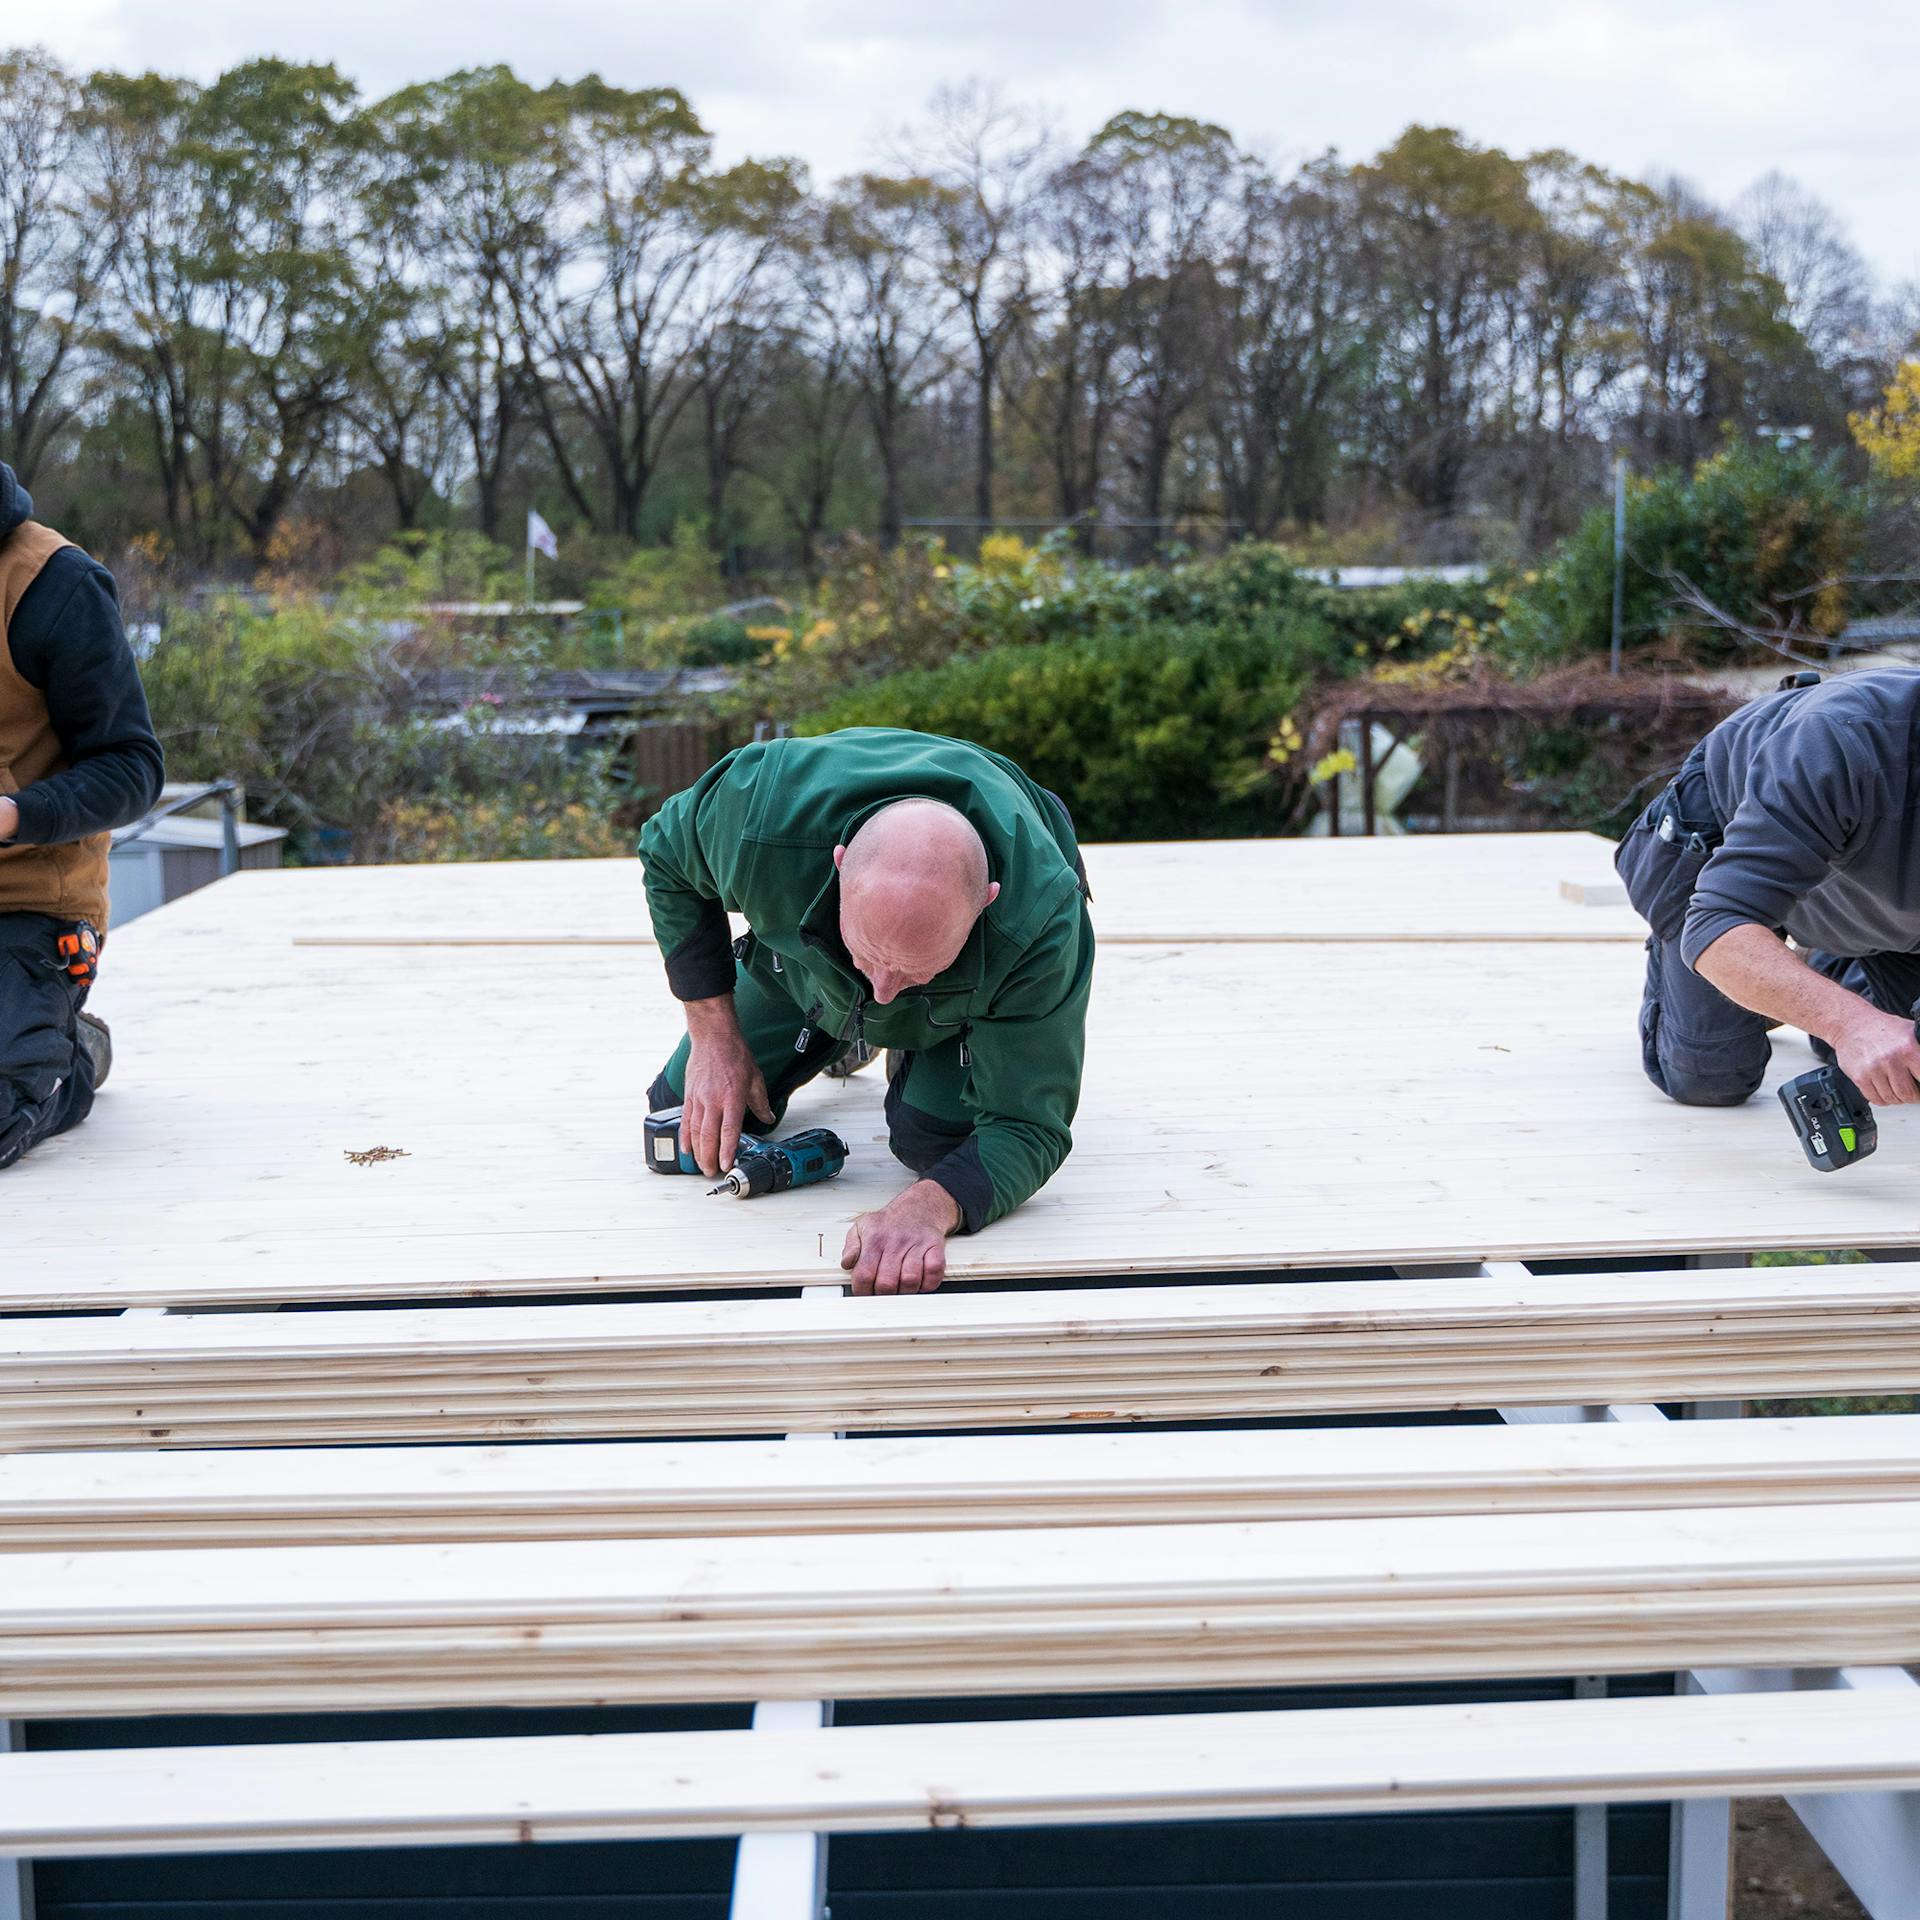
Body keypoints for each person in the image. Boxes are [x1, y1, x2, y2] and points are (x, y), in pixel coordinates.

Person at [639, 727, 1094, 1295]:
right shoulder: (760, 814)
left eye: (914, 970)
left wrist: (929, 1208)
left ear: (987, 902)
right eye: (867, 954)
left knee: (936, 1146)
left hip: (961, 992)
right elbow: (665, 854)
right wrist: (713, 1037)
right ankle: (846, 1015)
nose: (882, 989)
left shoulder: (1041, 921)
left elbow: (1029, 1126)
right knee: (684, 1114)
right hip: (805, 965)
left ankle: (905, 1029)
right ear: (840, 864)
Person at [1616, 667, 1920, 1110]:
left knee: (1904, 1064)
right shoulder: (1840, 741)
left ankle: (1828, 965)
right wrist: (1850, 1024)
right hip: (1718, 836)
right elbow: (1718, 925)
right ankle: (1728, 955)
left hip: (1871, 897)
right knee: (1711, 1077)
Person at [0, 461, 165, 1169]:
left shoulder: (56, 585)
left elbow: (133, 766)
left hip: (26, 902)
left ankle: (65, 1052)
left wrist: (15, 814)